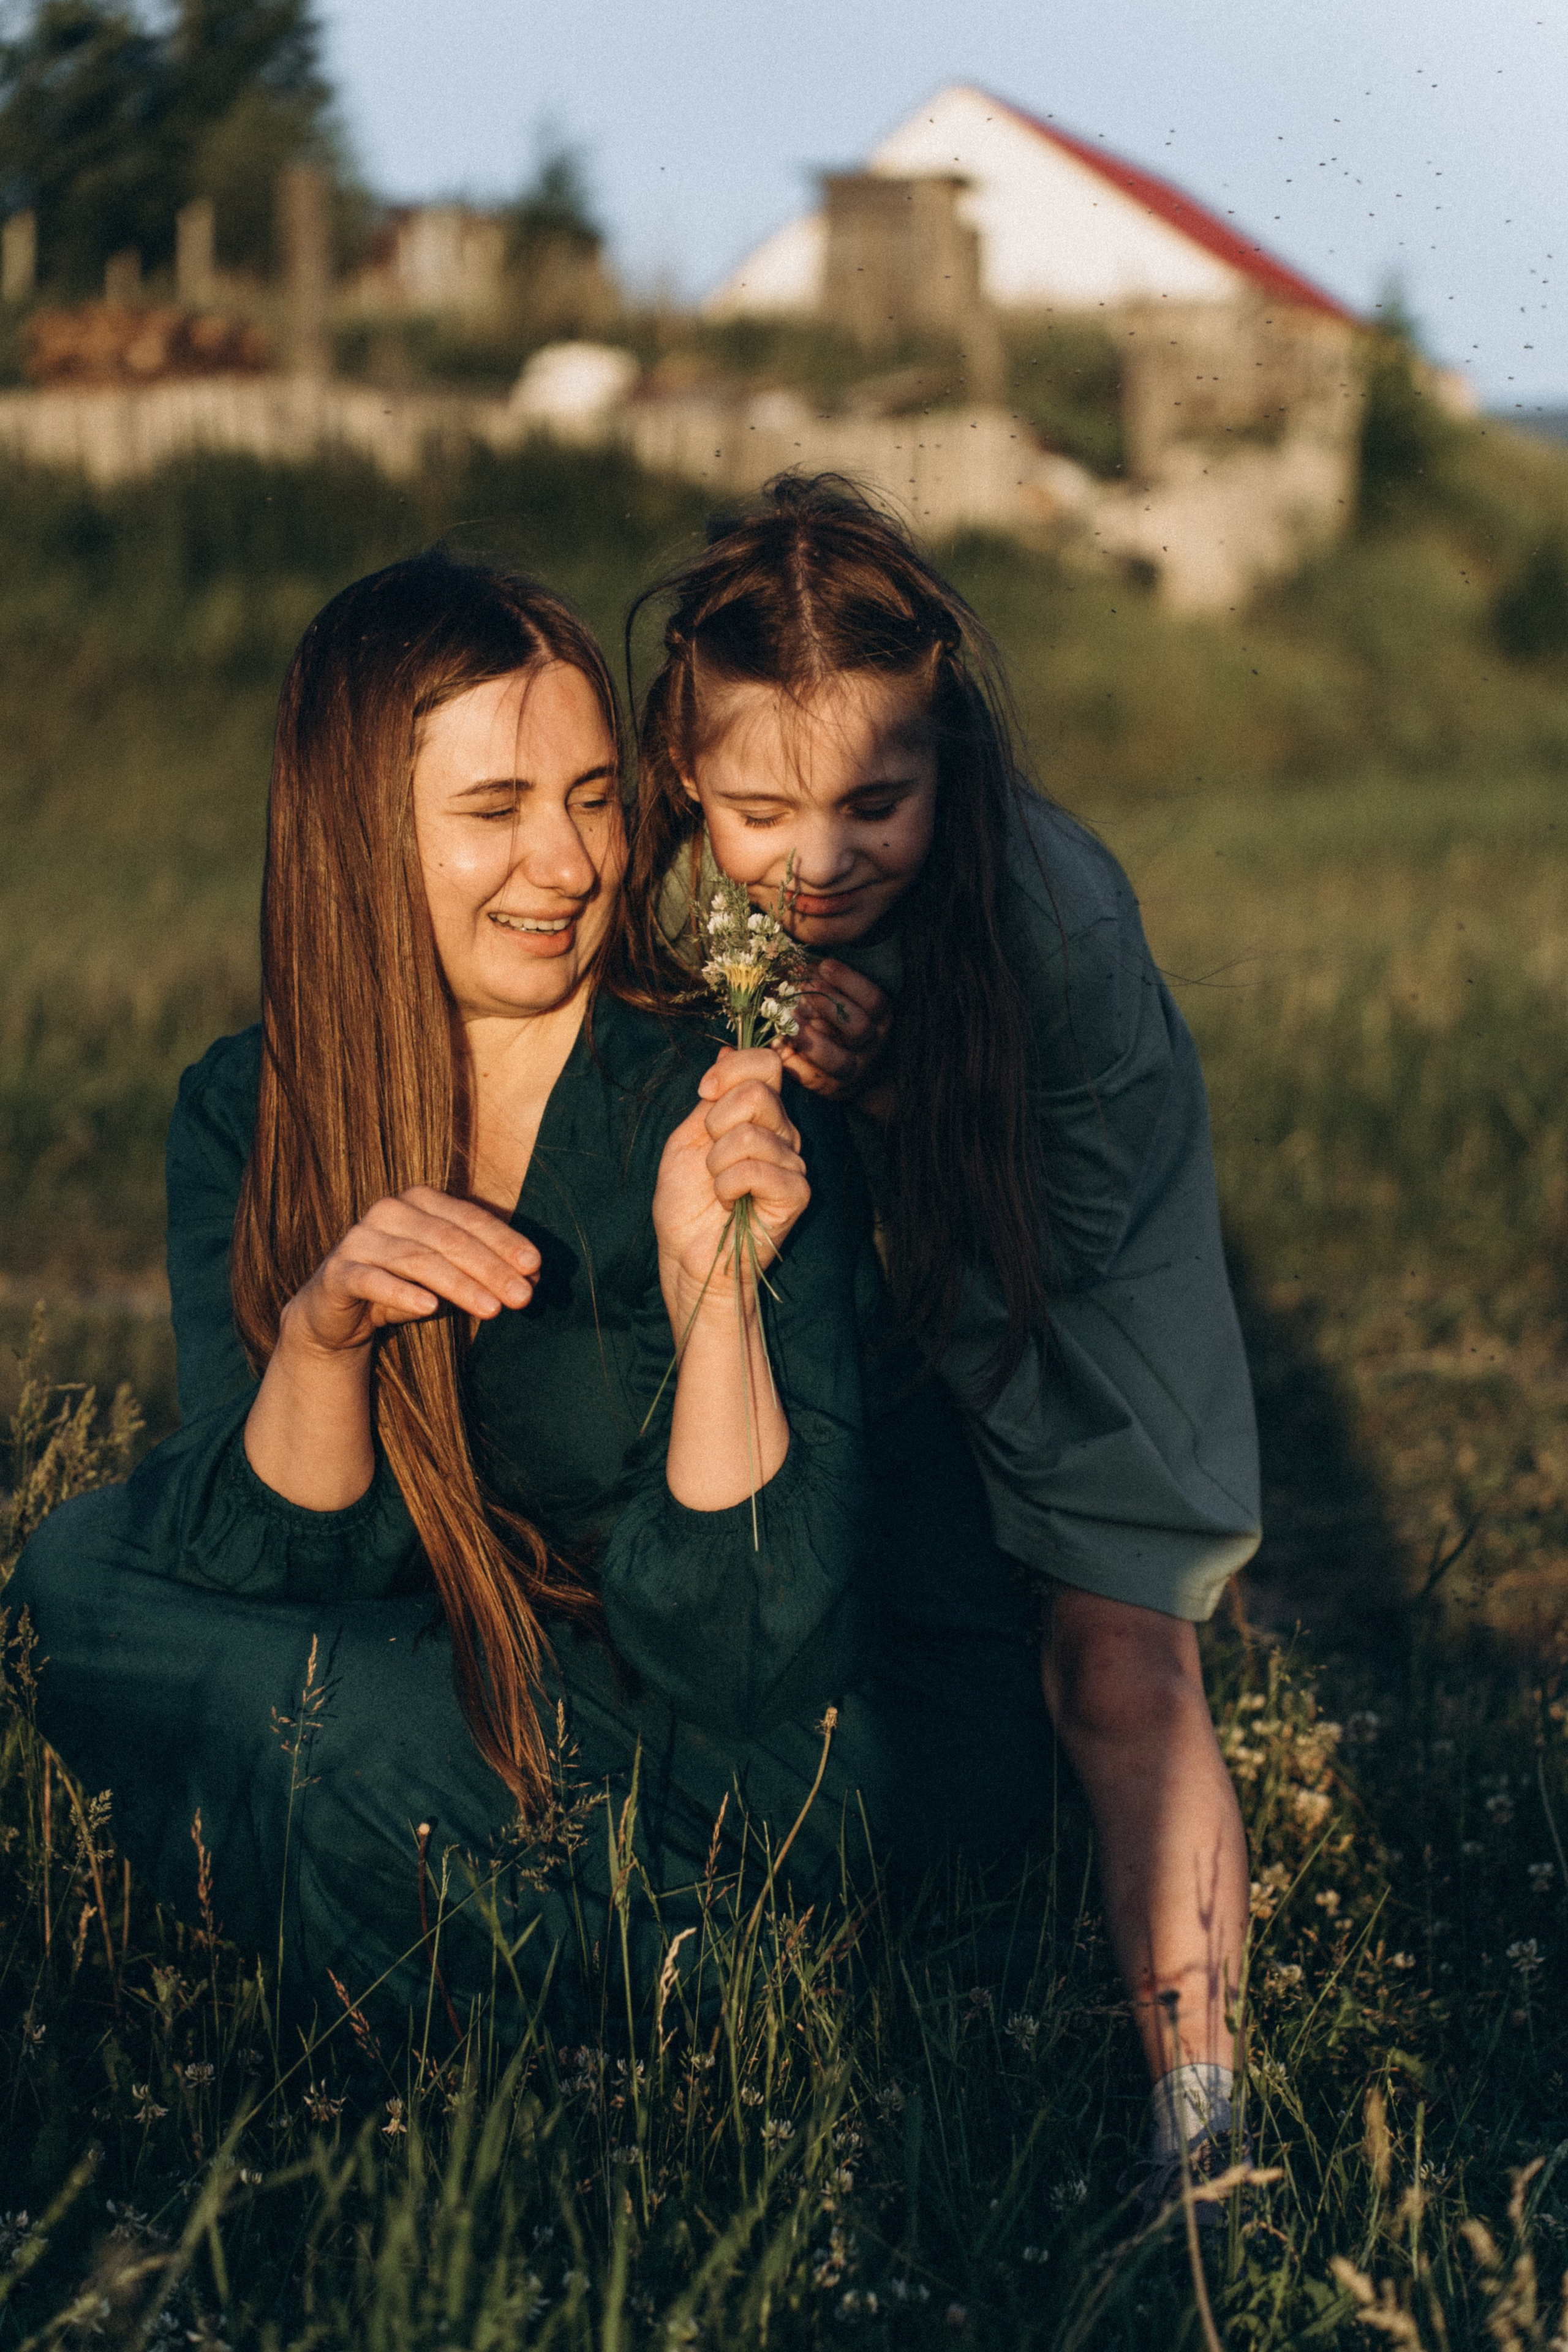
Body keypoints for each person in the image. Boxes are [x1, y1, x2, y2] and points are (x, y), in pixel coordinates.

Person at [6, 549, 895, 2035]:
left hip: (733, 1746)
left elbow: (747, 1647)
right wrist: (322, 1343)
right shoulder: (249, 1108)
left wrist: (714, 1297)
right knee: (73, 1576)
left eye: (593, 798)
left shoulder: (724, 1099)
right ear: (359, 836)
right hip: (448, 1669)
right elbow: (269, 1561)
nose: (570, 864)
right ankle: (474, 1901)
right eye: (494, 811)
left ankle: (652, 1984)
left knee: (321, 1723)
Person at [624, 474, 1264, 2190]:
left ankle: (1203, 2128)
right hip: (881, 1297)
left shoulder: (1053, 918)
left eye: (875, 803)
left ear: (949, 756)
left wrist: (899, 1090)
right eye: (758, 808)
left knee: (1115, 1669)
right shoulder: (686, 895)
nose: (817, 861)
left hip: (1087, 1305)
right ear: (684, 767)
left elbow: (1079, 1228)